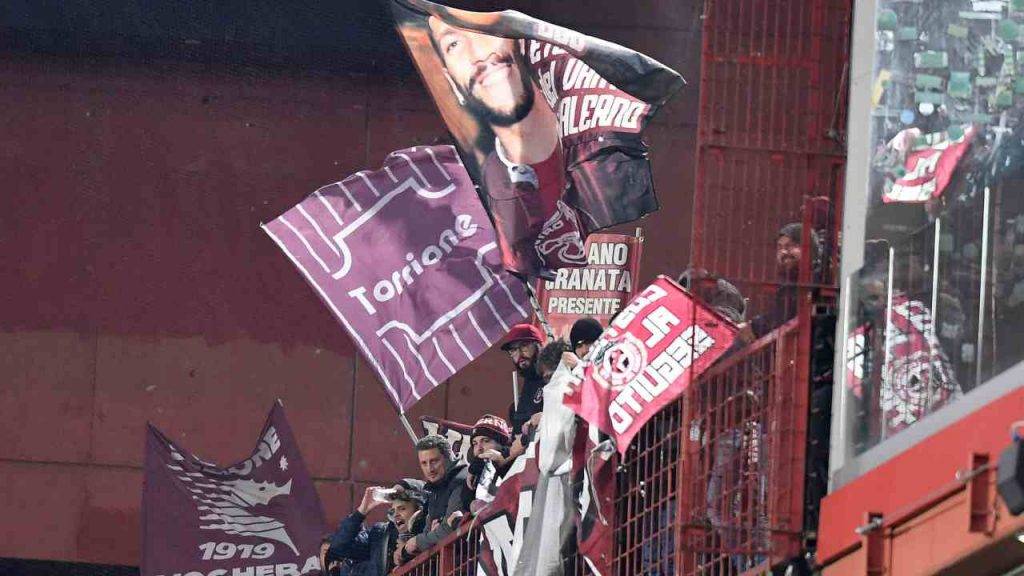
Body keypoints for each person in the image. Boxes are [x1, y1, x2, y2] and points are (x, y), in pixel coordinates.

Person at [426, 16, 584, 276]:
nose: (478, 54)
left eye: (484, 29)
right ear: (452, 82)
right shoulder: (477, 204)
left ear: (519, 41)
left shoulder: (601, 143)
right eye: (453, 44)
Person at [325, 480, 427, 576]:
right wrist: (361, 512)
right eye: (392, 511)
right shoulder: (379, 534)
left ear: (419, 510)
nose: (396, 515)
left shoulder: (429, 532)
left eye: (402, 508)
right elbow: (339, 548)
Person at [400, 435, 471, 558]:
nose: (429, 469)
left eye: (434, 461)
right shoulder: (435, 487)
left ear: (448, 458)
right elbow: (428, 532)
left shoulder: (461, 479)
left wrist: (417, 541)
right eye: (424, 463)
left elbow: (448, 530)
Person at [500, 323, 547, 436]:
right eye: (513, 351)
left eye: (524, 346)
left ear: (538, 345)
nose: (520, 355)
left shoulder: (555, 377)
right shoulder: (526, 387)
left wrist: (545, 417)